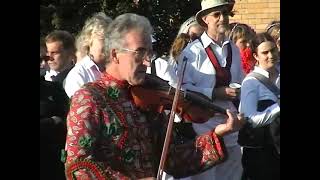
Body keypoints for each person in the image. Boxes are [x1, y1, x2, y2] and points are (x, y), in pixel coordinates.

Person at [63, 13, 245, 179]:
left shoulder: (149, 96)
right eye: (140, 52)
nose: (147, 61)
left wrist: (218, 134)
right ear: (115, 54)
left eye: (149, 52)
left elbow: (173, 159)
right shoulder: (89, 98)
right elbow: (78, 166)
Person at [167, 0, 244, 179]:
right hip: (204, 129)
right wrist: (214, 93)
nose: (222, 18)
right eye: (216, 14)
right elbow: (182, 89)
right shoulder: (192, 52)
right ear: (205, 19)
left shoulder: (233, 48)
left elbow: (240, 80)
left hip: (232, 127)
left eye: (224, 13)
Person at [238, 32, 280, 180]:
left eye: (273, 50)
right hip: (263, 153)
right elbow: (251, 119)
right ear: (256, 56)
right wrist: (277, 108)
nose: (271, 55)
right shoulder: (251, 83)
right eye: (265, 52)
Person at [63, 12, 112, 97]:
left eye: (111, 40)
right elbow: (81, 106)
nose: (108, 44)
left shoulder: (115, 69)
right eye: (103, 40)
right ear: (89, 40)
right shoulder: (77, 75)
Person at [40, 56, 70, 179]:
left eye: (45, 59)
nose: (43, 64)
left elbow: (68, 115)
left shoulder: (54, 87)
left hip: (55, 160)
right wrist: (51, 121)